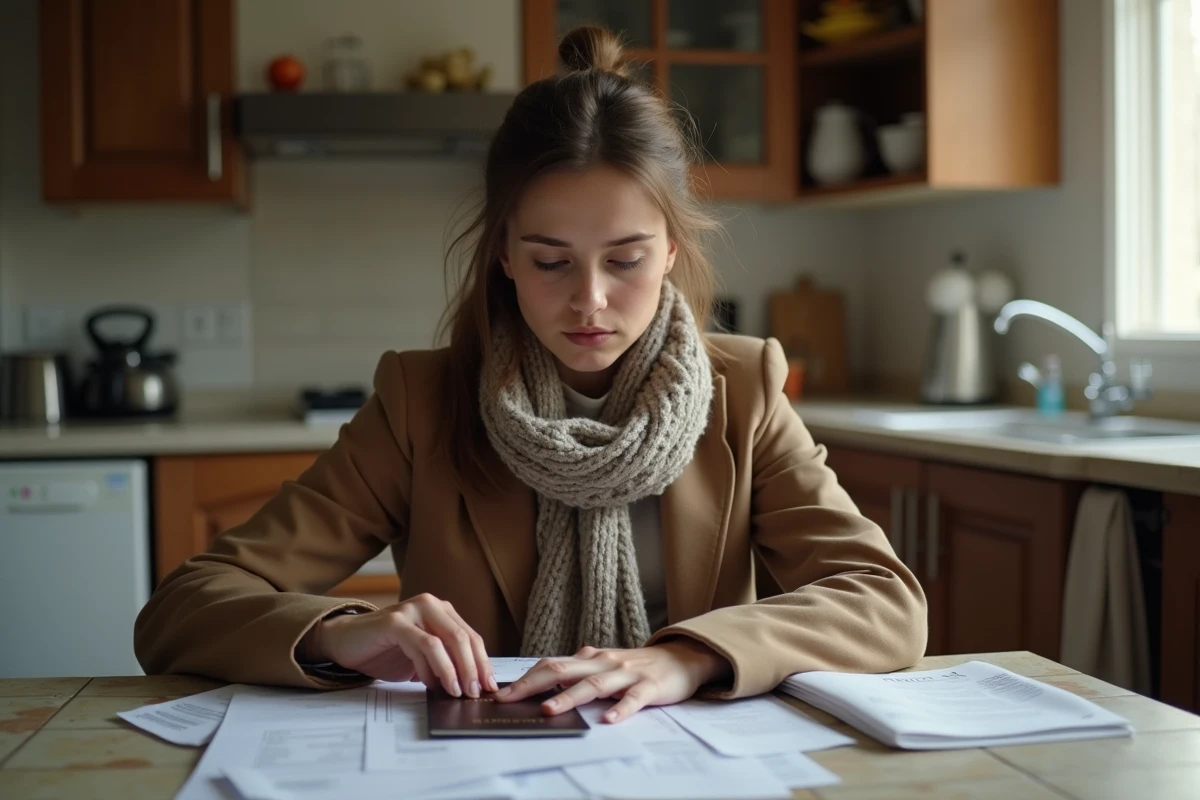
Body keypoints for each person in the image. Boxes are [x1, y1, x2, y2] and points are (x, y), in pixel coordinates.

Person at [135, 26, 926, 725]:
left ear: (672, 253)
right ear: (505, 256)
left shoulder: (744, 388)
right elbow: (183, 608)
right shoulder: (423, 401)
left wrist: (686, 658)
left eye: (626, 259)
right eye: (551, 261)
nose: (590, 300)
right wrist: (341, 631)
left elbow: (884, 603)